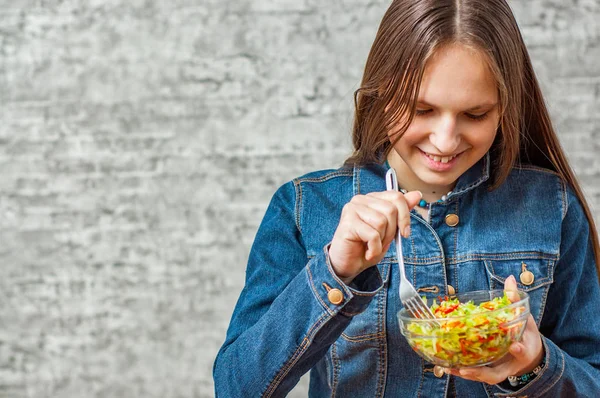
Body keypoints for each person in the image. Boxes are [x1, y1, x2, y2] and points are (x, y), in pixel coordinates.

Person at [213, 0, 600, 396]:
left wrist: (533, 367)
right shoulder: (304, 208)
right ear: (382, 93)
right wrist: (335, 272)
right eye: (422, 109)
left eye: (475, 114)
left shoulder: (552, 206)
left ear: (505, 108)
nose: (446, 140)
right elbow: (236, 387)